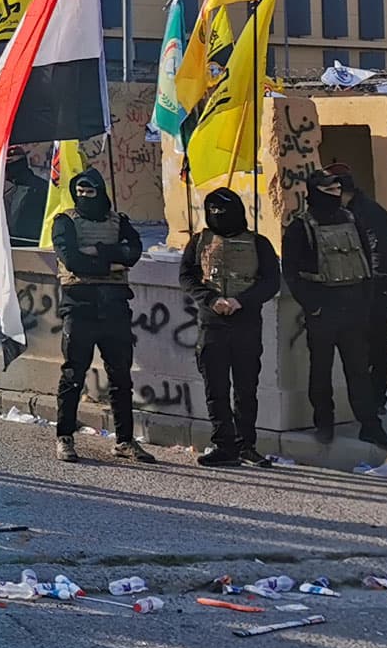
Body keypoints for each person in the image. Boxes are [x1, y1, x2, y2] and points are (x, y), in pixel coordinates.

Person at [283, 169, 387, 450]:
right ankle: (324, 423)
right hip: (323, 310)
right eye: (328, 190)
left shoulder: (351, 220)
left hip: (354, 310)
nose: (335, 195)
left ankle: (370, 425)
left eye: (337, 190)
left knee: (359, 370)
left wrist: (365, 303)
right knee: (320, 370)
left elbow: (368, 265)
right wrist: (315, 306)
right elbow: (292, 273)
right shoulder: (301, 227)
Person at [48, 169, 153, 464]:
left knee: (121, 377)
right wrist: (110, 262)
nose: (83, 197)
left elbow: (132, 253)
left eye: (89, 192)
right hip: (80, 307)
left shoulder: (119, 222)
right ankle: (65, 437)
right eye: (79, 192)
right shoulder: (65, 222)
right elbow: (72, 260)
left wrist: (98, 251)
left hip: (115, 308)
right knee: (73, 375)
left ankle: (124, 440)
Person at [179, 187, 281, 467]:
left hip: (245, 325)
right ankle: (223, 445)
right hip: (211, 325)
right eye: (213, 211)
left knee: (246, 389)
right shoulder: (199, 241)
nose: (218, 217)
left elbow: (271, 281)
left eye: (224, 211)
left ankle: (246, 445)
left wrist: (241, 301)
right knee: (216, 388)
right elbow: (187, 277)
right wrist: (211, 300)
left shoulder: (258, 243)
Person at [327, 164, 387, 411]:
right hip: (361, 286)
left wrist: (364, 287)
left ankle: (376, 398)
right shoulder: (346, 211)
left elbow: (378, 255)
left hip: (378, 286)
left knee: (375, 340)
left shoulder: (368, 213)